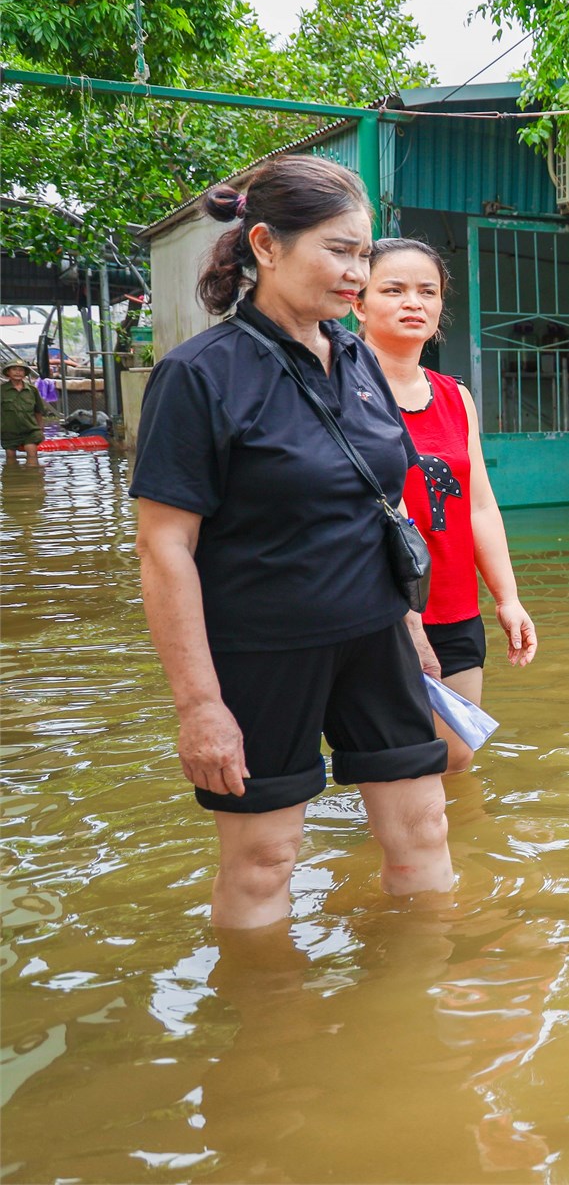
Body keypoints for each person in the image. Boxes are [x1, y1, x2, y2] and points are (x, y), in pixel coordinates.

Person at [131, 156, 454, 930]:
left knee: (424, 831)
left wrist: (410, 624)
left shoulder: (357, 361)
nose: (357, 273)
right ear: (267, 245)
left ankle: (426, 1024)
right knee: (264, 860)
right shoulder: (200, 375)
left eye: (363, 253)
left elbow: (378, 502)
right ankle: (270, 1036)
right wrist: (200, 705)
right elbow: (163, 548)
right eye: (339, 250)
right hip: (262, 651)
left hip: (375, 638)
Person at [356, 238, 538, 772]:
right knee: (394, 765)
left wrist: (507, 598)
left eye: (427, 291)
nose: (413, 302)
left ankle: (457, 857)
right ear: (357, 303)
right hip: (375, 609)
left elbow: (479, 504)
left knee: (456, 761)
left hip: (454, 605)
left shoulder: (455, 395)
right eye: (393, 289)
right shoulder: (340, 390)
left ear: (441, 307)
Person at [3, 359, 49, 465]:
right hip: (9, 432)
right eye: (14, 369)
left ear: (24, 373)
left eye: (21, 370)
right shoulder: (2, 391)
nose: (18, 372)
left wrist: (41, 429)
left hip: (30, 430)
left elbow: (38, 411)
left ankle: (32, 479)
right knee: (10, 461)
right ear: (8, 373)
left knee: (32, 459)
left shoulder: (32, 390)